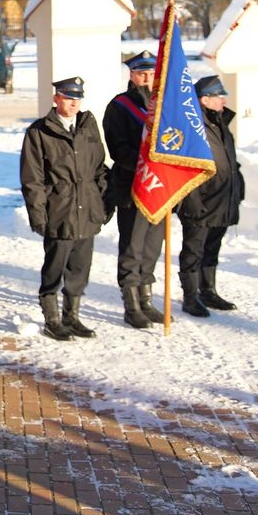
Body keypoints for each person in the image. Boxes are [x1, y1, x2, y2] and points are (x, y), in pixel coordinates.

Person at [20, 77, 112, 340]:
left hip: (88, 212)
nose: (73, 103)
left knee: (79, 269)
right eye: (68, 97)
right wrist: (39, 215)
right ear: (56, 98)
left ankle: (72, 317)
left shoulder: (87, 127)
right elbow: (32, 180)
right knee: (54, 268)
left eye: (77, 98)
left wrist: (104, 204)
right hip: (59, 213)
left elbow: (99, 169)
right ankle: (52, 319)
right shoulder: (39, 132)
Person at [103, 51, 166, 329]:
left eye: (151, 73)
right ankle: (131, 305)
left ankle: (146, 298)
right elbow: (118, 149)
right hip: (133, 187)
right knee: (133, 247)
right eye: (142, 73)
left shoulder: (164, 106)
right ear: (131, 74)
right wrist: (146, 164)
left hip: (159, 189)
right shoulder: (120, 106)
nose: (147, 78)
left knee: (152, 247)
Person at [177, 75, 245, 317]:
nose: (223, 100)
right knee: (194, 249)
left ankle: (208, 290)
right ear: (204, 100)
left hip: (222, 199)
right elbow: (186, 166)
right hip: (201, 201)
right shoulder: (194, 126)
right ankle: (190, 295)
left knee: (212, 247)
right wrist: (191, 200)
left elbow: (230, 161)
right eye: (219, 96)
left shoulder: (220, 123)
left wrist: (239, 187)